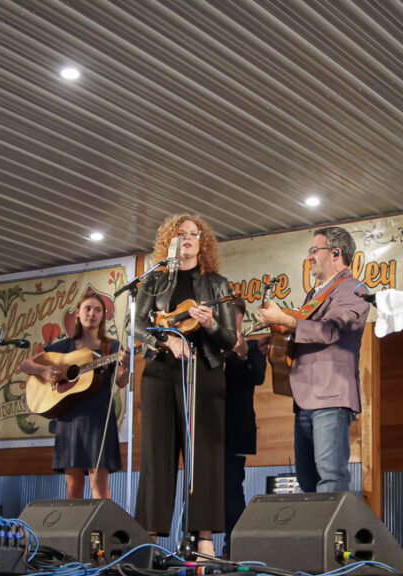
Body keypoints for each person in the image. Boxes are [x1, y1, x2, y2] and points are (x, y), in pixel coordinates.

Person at [135, 214, 237, 557]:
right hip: (160, 372)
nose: (189, 239)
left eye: (195, 234)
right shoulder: (154, 281)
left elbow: (229, 338)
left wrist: (208, 325)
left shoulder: (218, 283)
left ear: (202, 243)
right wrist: (167, 342)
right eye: (182, 234)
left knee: (203, 454)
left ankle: (203, 539)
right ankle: (149, 540)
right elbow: (136, 327)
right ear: (170, 241)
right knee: (156, 451)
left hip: (204, 372)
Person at [257, 226, 370, 493]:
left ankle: (334, 536)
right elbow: (307, 336)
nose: (309, 256)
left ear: (335, 254)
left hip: (331, 396)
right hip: (305, 397)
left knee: (331, 478)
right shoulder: (316, 294)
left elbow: (330, 330)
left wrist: (284, 319)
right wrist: (279, 341)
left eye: (313, 250)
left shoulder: (354, 289)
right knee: (308, 481)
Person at [18, 292, 128, 499]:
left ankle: (100, 530)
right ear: (77, 313)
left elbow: (121, 381)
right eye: (87, 309)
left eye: (98, 310)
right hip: (69, 419)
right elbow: (24, 364)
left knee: (99, 484)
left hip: (99, 419)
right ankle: (73, 529)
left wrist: (127, 366)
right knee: (73, 485)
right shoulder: (64, 347)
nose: (92, 314)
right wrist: (43, 371)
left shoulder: (111, 347)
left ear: (103, 316)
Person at [221, 299, 267, 558]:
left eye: (236, 315)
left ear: (241, 318)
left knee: (231, 489)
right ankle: (195, 544)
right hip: (207, 429)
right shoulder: (209, 345)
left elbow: (257, 377)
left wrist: (242, 354)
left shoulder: (252, 346)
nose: (232, 320)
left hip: (236, 430)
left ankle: (232, 548)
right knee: (198, 489)